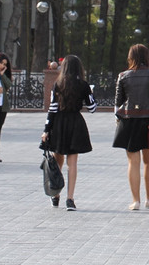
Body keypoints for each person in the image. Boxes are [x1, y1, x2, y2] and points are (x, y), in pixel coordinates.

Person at [112, 43, 149, 211]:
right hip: (148, 121)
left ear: (131, 57)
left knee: (132, 162)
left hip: (129, 120)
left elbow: (118, 102)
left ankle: (135, 201)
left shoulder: (123, 75)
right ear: (146, 57)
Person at [41, 54, 97, 211]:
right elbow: (92, 108)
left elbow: (52, 109)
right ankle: (70, 199)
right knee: (72, 163)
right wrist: (91, 94)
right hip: (75, 123)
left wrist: (46, 129)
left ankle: (55, 194)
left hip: (58, 123)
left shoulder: (57, 84)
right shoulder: (83, 85)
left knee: (57, 159)